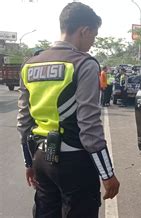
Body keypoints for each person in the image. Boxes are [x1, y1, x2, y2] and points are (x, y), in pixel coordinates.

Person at [17, 2, 120, 217]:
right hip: (74, 162)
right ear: (84, 31)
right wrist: (108, 174)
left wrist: (29, 163)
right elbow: (89, 125)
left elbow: (24, 123)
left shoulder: (30, 64)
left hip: (41, 160)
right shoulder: (84, 64)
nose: (92, 43)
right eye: (94, 36)